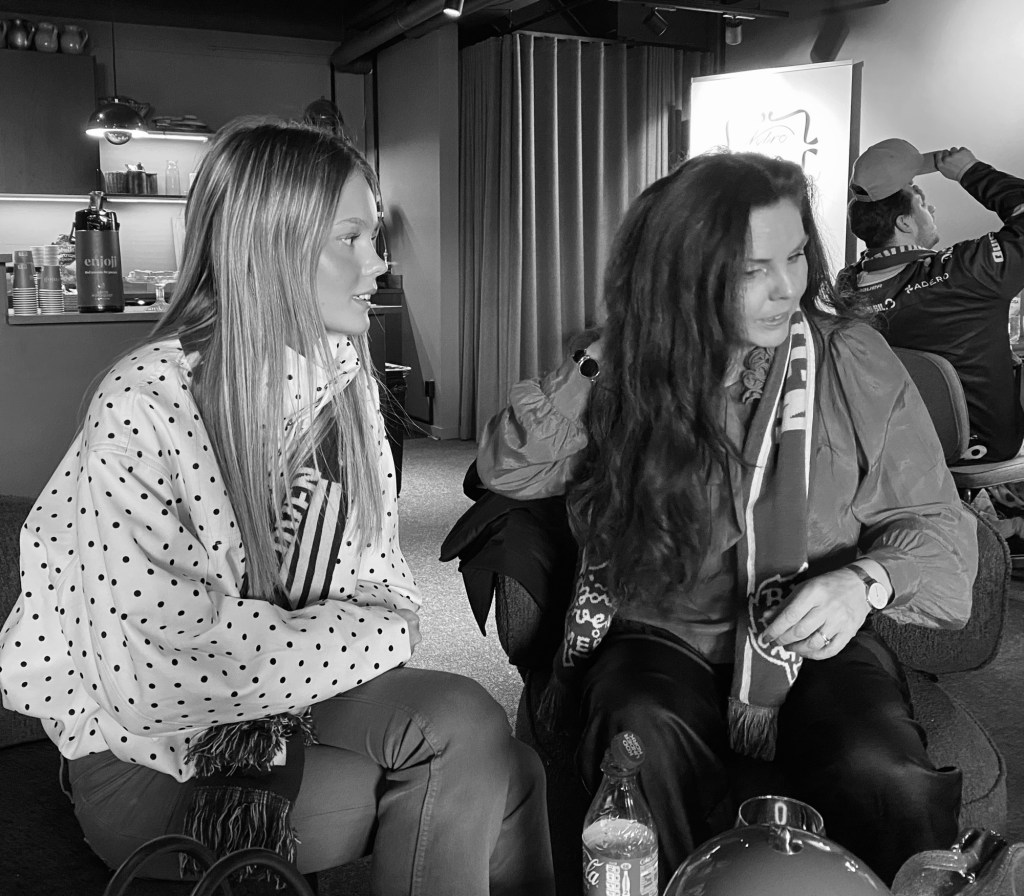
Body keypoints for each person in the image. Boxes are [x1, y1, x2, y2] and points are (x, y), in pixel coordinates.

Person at [0, 117, 554, 896]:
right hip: (150, 755)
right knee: (497, 773)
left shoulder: (346, 383)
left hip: (297, 695)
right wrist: (352, 634)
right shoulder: (144, 402)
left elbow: (390, 594)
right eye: (351, 239)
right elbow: (162, 682)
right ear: (271, 248)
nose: (378, 262)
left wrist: (289, 638)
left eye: (374, 235)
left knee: (476, 725)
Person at [476, 151, 977, 886]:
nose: (787, 288)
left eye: (796, 255)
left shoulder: (847, 358)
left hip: (809, 632)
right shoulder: (627, 369)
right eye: (752, 269)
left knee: (881, 772)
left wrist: (866, 582)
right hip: (660, 630)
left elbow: (934, 519)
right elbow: (509, 470)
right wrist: (613, 350)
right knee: (639, 745)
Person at [836, 138, 1024, 465]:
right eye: (922, 204)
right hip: (982, 449)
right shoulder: (966, 272)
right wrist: (971, 171)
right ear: (904, 222)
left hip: (897, 452)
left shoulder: (847, 286)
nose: (932, 210)